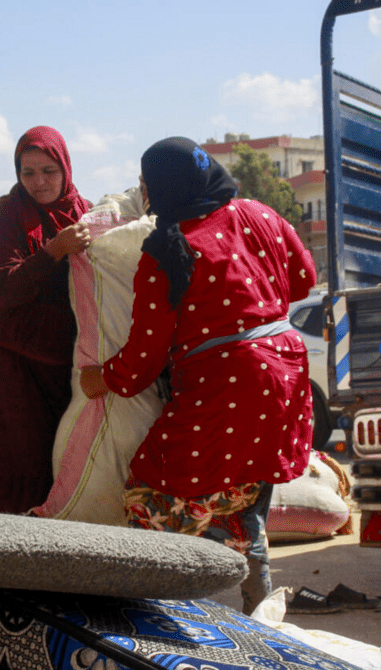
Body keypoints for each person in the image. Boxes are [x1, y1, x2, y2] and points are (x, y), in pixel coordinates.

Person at [80, 137, 316, 614]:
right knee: (246, 498)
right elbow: (304, 280)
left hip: (230, 386)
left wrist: (100, 378)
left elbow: (142, 362)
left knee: (150, 496)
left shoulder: (168, 251)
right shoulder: (260, 213)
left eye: (148, 186)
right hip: (286, 374)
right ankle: (260, 614)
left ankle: (161, 619)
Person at [0, 126, 92, 514]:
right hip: (15, 366)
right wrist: (53, 251)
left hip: (67, 364)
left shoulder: (84, 212)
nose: (39, 182)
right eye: (28, 173)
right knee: (11, 466)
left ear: (65, 168)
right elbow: (6, 288)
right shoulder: (9, 215)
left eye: (48, 171)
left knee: (64, 465)